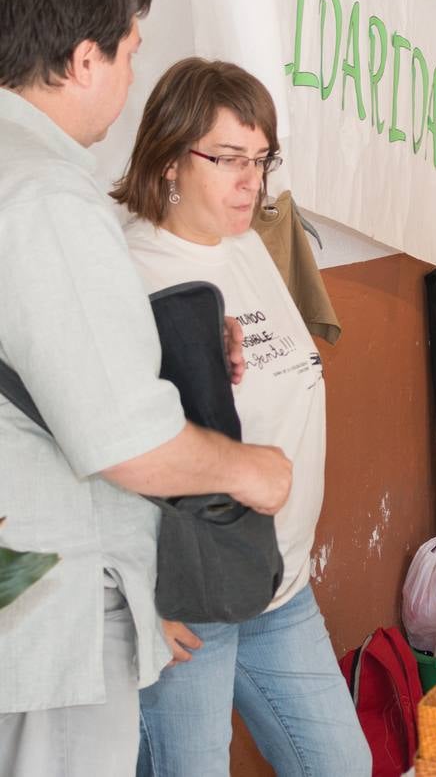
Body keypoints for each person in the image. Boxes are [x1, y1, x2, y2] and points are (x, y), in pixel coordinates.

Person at [0, 0, 291, 777]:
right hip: (49, 608)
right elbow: (123, 436)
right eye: (127, 52)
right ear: (84, 59)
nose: (130, 77)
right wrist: (249, 469)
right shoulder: (47, 194)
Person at [110, 59, 370, 775]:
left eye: (259, 160)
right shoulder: (128, 268)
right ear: (168, 158)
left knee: (341, 765)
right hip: (187, 599)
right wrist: (138, 599)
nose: (250, 181)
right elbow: (102, 443)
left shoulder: (246, 244)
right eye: (227, 159)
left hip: (277, 585)